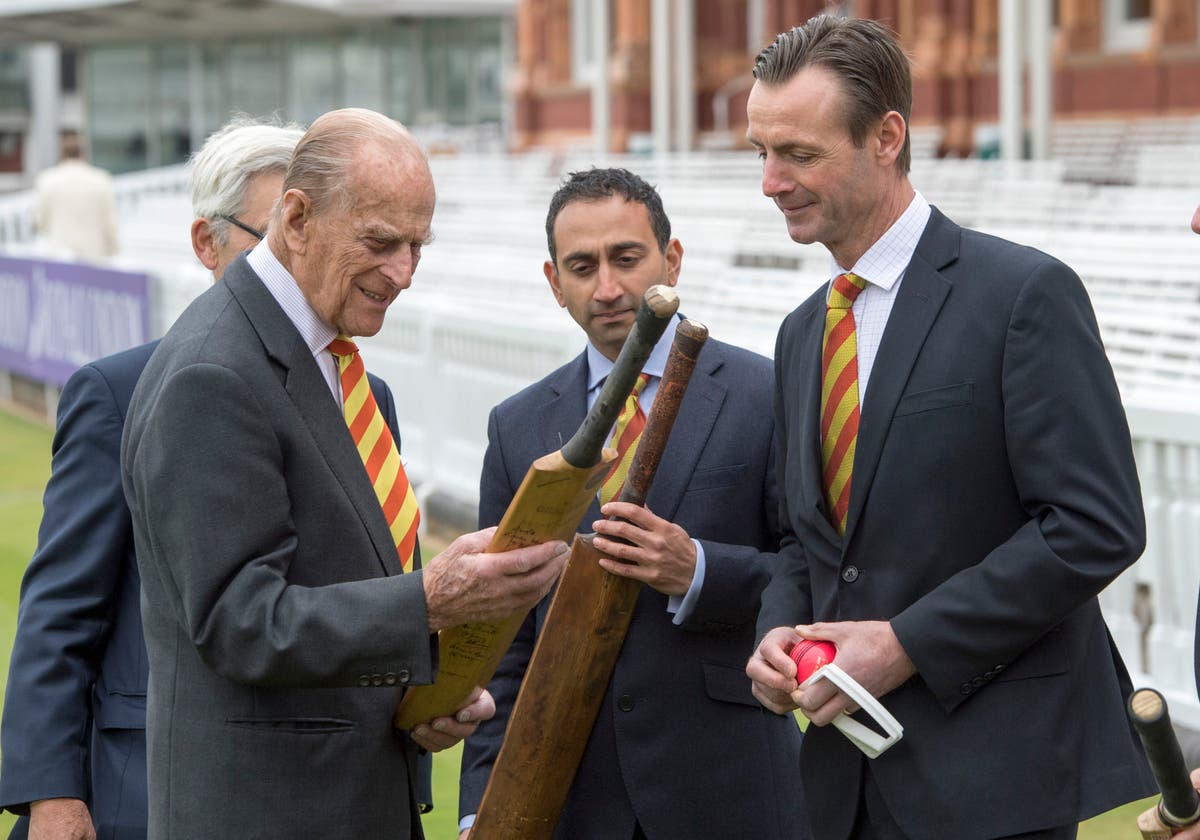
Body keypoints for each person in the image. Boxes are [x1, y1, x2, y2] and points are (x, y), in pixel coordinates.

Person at [743, 15, 1155, 840]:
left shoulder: (1022, 295)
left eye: (799, 154)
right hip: (847, 786)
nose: (771, 182)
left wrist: (906, 644)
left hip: (998, 781)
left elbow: (1095, 528)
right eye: (761, 152)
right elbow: (802, 539)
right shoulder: (801, 332)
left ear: (887, 137)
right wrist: (777, 632)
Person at [119, 107, 568, 840]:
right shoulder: (214, 373)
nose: (404, 273)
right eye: (381, 242)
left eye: (416, 246)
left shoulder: (326, 359)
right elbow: (241, 623)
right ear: (297, 220)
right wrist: (429, 601)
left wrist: (425, 692)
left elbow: (340, 588)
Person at [458, 167, 807, 840]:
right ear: (554, 282)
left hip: (733, 793)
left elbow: (813, 570)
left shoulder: (767, 393)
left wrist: (697, 569)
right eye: (581, 267)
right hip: (575, 803)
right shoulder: (517, 426)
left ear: (671, 260)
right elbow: (501, 640)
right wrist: (481, 809)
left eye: (626, 259)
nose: (607, 288)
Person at [0, 119, 306, 840]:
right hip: (147, 789)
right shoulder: (120, 390)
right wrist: (51, 794)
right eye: (273, 240)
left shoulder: (367, 401)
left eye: (311, 236)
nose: (294, 265)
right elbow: (62, 605)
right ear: (208, 244)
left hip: (317, 792)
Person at [33, 131, 119, 262]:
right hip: (94, 254)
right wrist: (113, 252)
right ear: (83, 153)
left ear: (61, 153)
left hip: (59, 255)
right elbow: (110, 223)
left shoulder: (46, 180)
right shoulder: (101, 179)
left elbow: (40, 221)